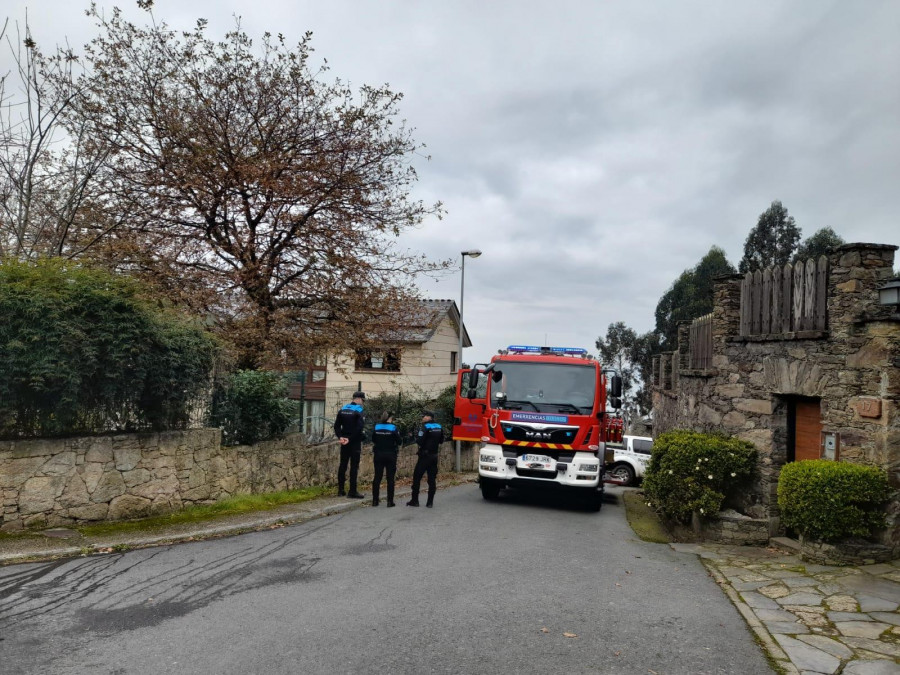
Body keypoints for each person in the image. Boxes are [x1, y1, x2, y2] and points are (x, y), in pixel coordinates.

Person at [407, 410, 444, 508]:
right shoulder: (439, 427)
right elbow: (441, 441)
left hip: (424, 457)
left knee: (417, 478)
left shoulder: (425, 427)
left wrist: (415, 436)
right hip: (434, 456)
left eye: (424, 416)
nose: (422, 418)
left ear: (429, 417)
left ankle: (415, 501)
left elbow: (420, 441)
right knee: (432, 479)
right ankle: (430, 502)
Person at [333, 391, 366, 498]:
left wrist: (341, 437)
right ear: (360, 399)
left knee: (343, 465)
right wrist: (350, 439)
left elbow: (336, 426)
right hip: (354, 442)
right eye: (363, 401)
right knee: (353, 467)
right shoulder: (359, 410)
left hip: (344, 441)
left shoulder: (343, 409)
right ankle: (352, 491)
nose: (363, 403)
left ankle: (340, 490)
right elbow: (359, 428)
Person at [371, 411, 402, 507]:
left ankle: (375, 501)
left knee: (377, 478)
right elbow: (399, 441)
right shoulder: (393, 428)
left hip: (379, 454)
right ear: (389, 418)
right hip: (390, 455)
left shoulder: (377, 427)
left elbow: (373, 439)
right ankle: (390, 501)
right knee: (390, 479)